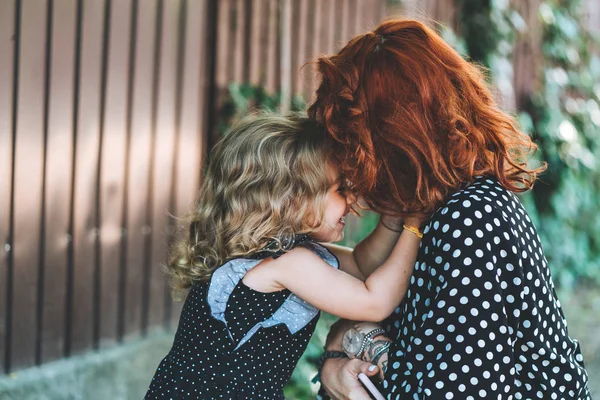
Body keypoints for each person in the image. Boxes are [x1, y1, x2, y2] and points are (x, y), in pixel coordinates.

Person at [308, 19, 592, 400]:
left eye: (354, 141)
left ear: (393, 137)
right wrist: (337, 357)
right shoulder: (433, 208)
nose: (349, 165)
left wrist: (342, 354)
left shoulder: (469, 220)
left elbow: (452, 390)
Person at [144, 114, 427, 399]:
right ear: (291, 200)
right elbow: (375, 302)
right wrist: (413, 227)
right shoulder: (286, 264)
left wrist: (393, 222)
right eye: (339, 189)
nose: (352, 198)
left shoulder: (284, 254)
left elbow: (362, 266)